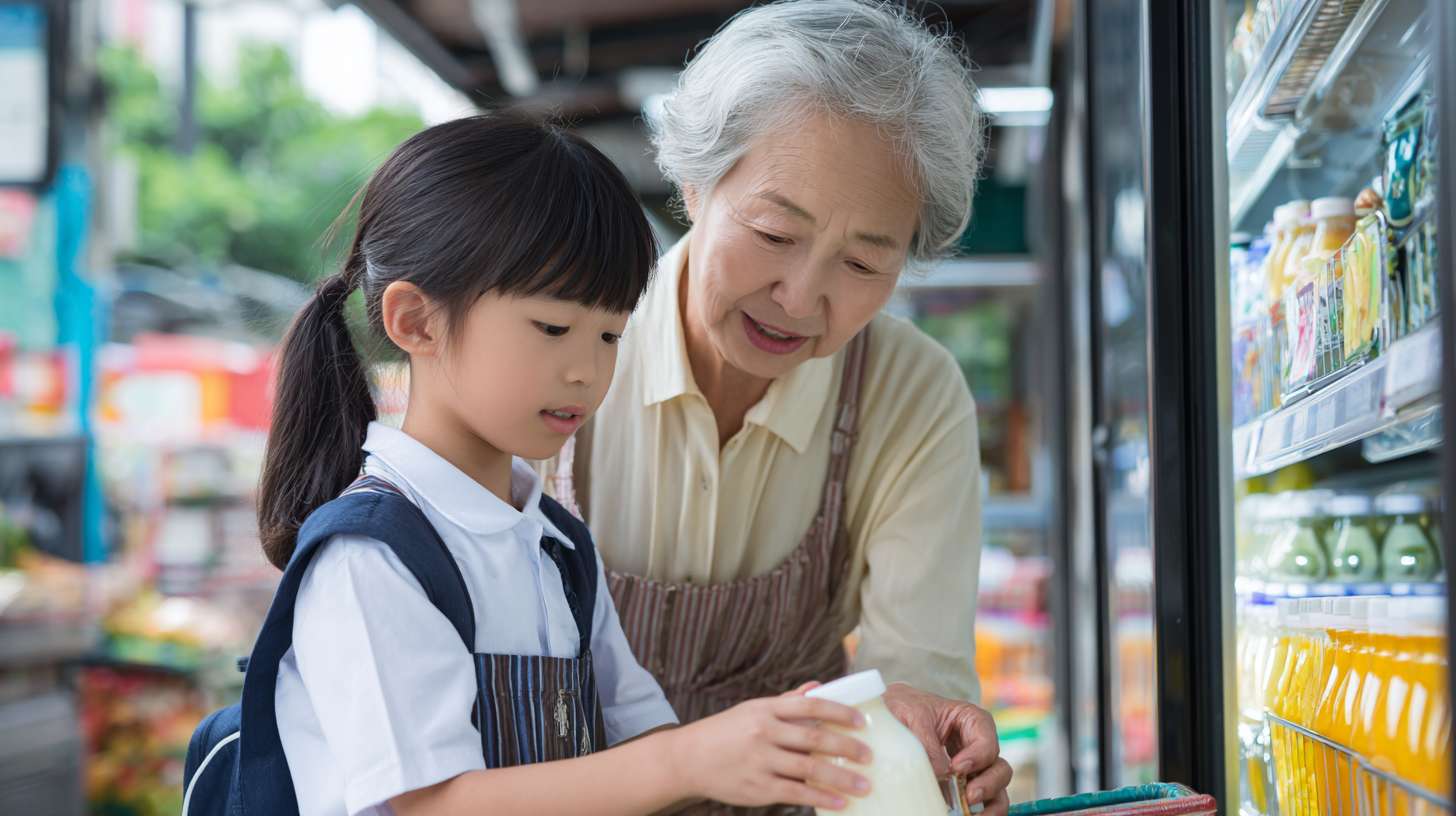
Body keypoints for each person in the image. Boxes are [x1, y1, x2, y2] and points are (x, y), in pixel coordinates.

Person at [256, 114, 875, 816]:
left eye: (610, 333)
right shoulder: (371, 558)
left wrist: (774, 741)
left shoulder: (555, 546)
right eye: (553, 328)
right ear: (416, 322)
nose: (587, 371)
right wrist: (685, 759)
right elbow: (433, 805)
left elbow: (646, 741)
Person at [546, 2, 1013, 813]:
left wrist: (931, 746)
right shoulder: (565, 347)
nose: (800, 297)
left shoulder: (908, 396)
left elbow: (918, 675)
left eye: (864, 263)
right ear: (694, 183)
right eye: (772, 232)